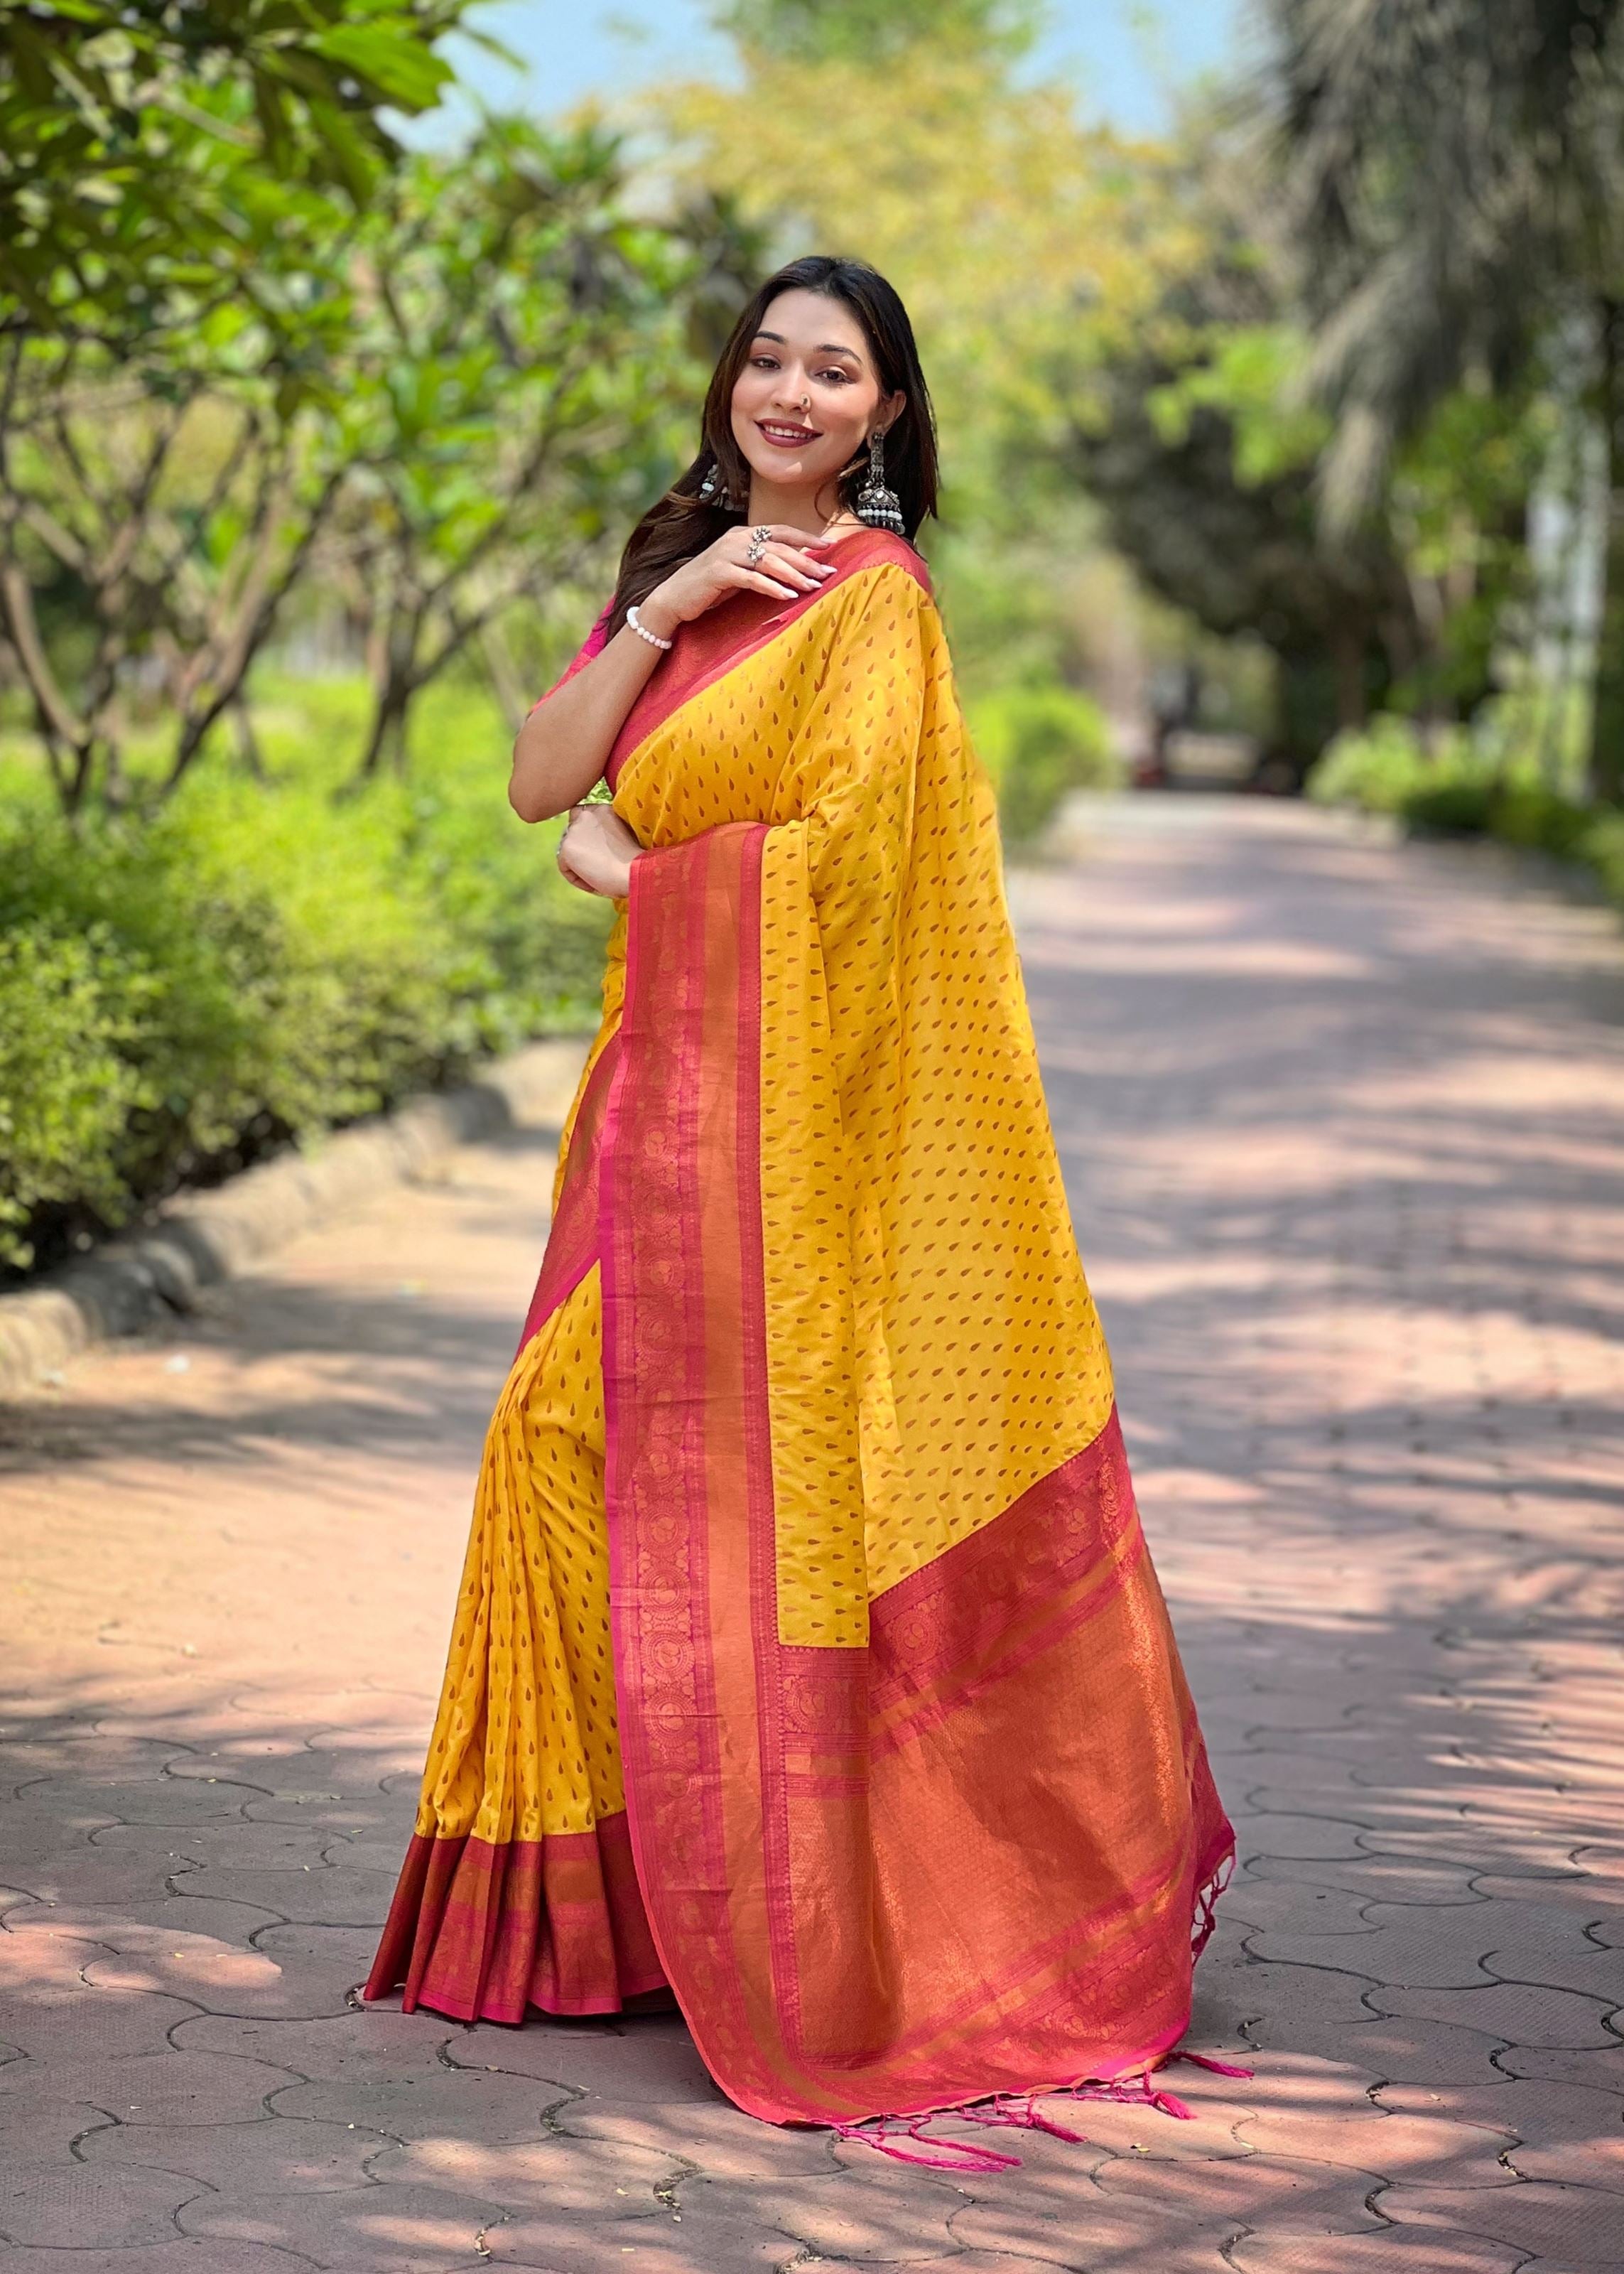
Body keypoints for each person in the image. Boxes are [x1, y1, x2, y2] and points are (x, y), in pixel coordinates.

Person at [364, 254, 1233, 2149]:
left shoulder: (878, 606)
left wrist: (634, 882)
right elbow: (535, 777)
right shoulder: (694, 577)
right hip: (649, 1121)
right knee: (558, 1456)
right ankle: (605, 1918)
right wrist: (663, 600)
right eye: (767, 356)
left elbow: (853, 875)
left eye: (833, 371)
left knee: (729, 1488)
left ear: (886, 415)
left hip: (787, 1138)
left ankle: (792, 1908)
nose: (789, 391)